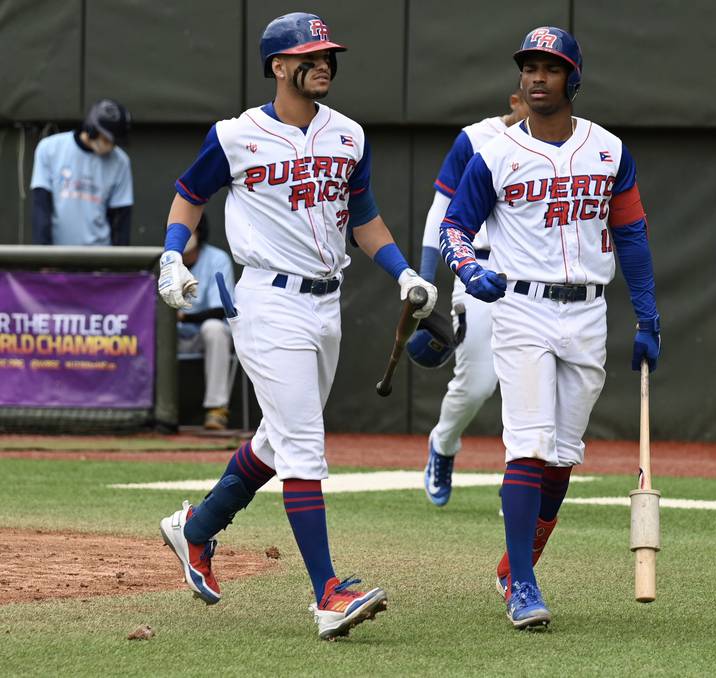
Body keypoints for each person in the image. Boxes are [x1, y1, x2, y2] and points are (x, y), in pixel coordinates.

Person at [157, 12, 437, 640]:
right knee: (305, 446)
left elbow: (363, 217)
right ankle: (327, 593)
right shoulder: (236, 136)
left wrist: (401, 273)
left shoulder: (349, 135)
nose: (323, 62)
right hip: (266, 300)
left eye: (328, 53)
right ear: (279, 66)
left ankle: (195, 529)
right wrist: (173, 253)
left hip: (326, 303)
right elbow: (188, 194)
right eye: (310, 54)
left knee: (279, 441)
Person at [439, 26, 660, 630]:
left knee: (562, 458)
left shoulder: (609, 150)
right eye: (529, 68)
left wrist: (649, 317)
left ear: (573, 79)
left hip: (588, 310)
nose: (537, 78)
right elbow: (453, 226)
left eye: (551, 68)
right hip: (524, 309)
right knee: (530, 444)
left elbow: (633, 234)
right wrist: (469, 267)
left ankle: (517, 565)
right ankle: (525, 587)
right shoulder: (497, 153)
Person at [416, 89, 529, 507]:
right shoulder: (476, 138)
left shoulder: (560, 145)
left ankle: (520, 483)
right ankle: (443, 444)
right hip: (477, 267)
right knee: (479, 382)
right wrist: (426, 281)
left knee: (529, 383)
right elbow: (439, 211)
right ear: (516, 100)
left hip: (531, 273)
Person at [30, 98, 133, 246]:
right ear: (92, 129)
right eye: (106, 140)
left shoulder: (120, 161)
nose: (110, 147)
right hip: (57, 257)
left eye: (114, 142)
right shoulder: (49, 149)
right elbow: (41, 208)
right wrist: (43, 257)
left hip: (100, 258)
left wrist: (117, 264)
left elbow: (121, 218)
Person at [176, 214, 236, 430]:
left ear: (199, 232)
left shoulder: (217, 259)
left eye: (187, 230)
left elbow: (220, 310)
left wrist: (183, 316)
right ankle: (149, 408)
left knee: (215, 329)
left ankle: (216, 410)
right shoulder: (165, 260)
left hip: (204, 335)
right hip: (172, 337)